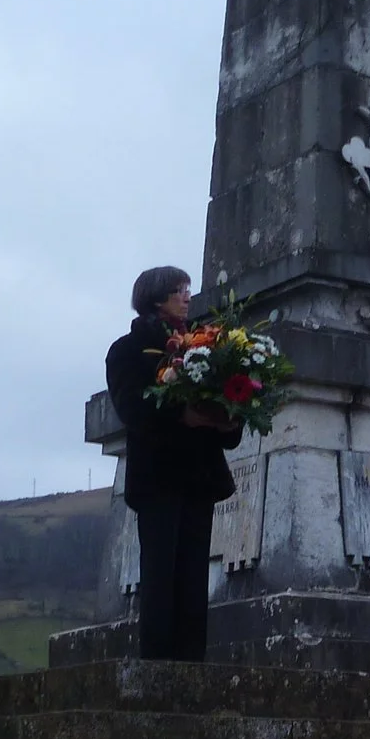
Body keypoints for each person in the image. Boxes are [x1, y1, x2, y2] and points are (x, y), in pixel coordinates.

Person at [106, 266, 241, 662]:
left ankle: (191, 665)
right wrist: (183, 417)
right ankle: (158, 668)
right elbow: (132, 410)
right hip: (158, 477)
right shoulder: (127, 350)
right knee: (161, 575)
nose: (187, 297)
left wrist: (227, 418)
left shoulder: (207, 346)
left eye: (187, 290)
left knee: (195, 576)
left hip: (199, 476)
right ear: (156, 297)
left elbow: (227, 428)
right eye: (179, 290)